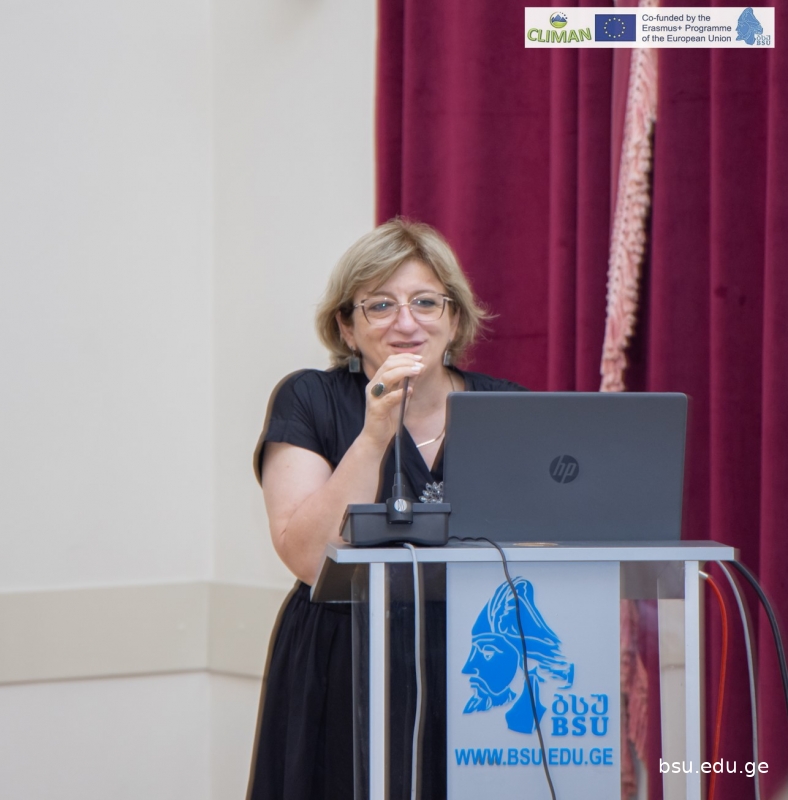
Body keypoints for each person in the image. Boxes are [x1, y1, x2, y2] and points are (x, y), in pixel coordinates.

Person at [247, 218, 526, 800]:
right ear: (347, 329)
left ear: (454, 319)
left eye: (426, 302)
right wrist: (374, 434)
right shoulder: (309, 399)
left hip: (478, 660)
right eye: (379, 305)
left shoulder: (508, 408)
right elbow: (307, 557)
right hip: (343, 657)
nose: (406, 322)